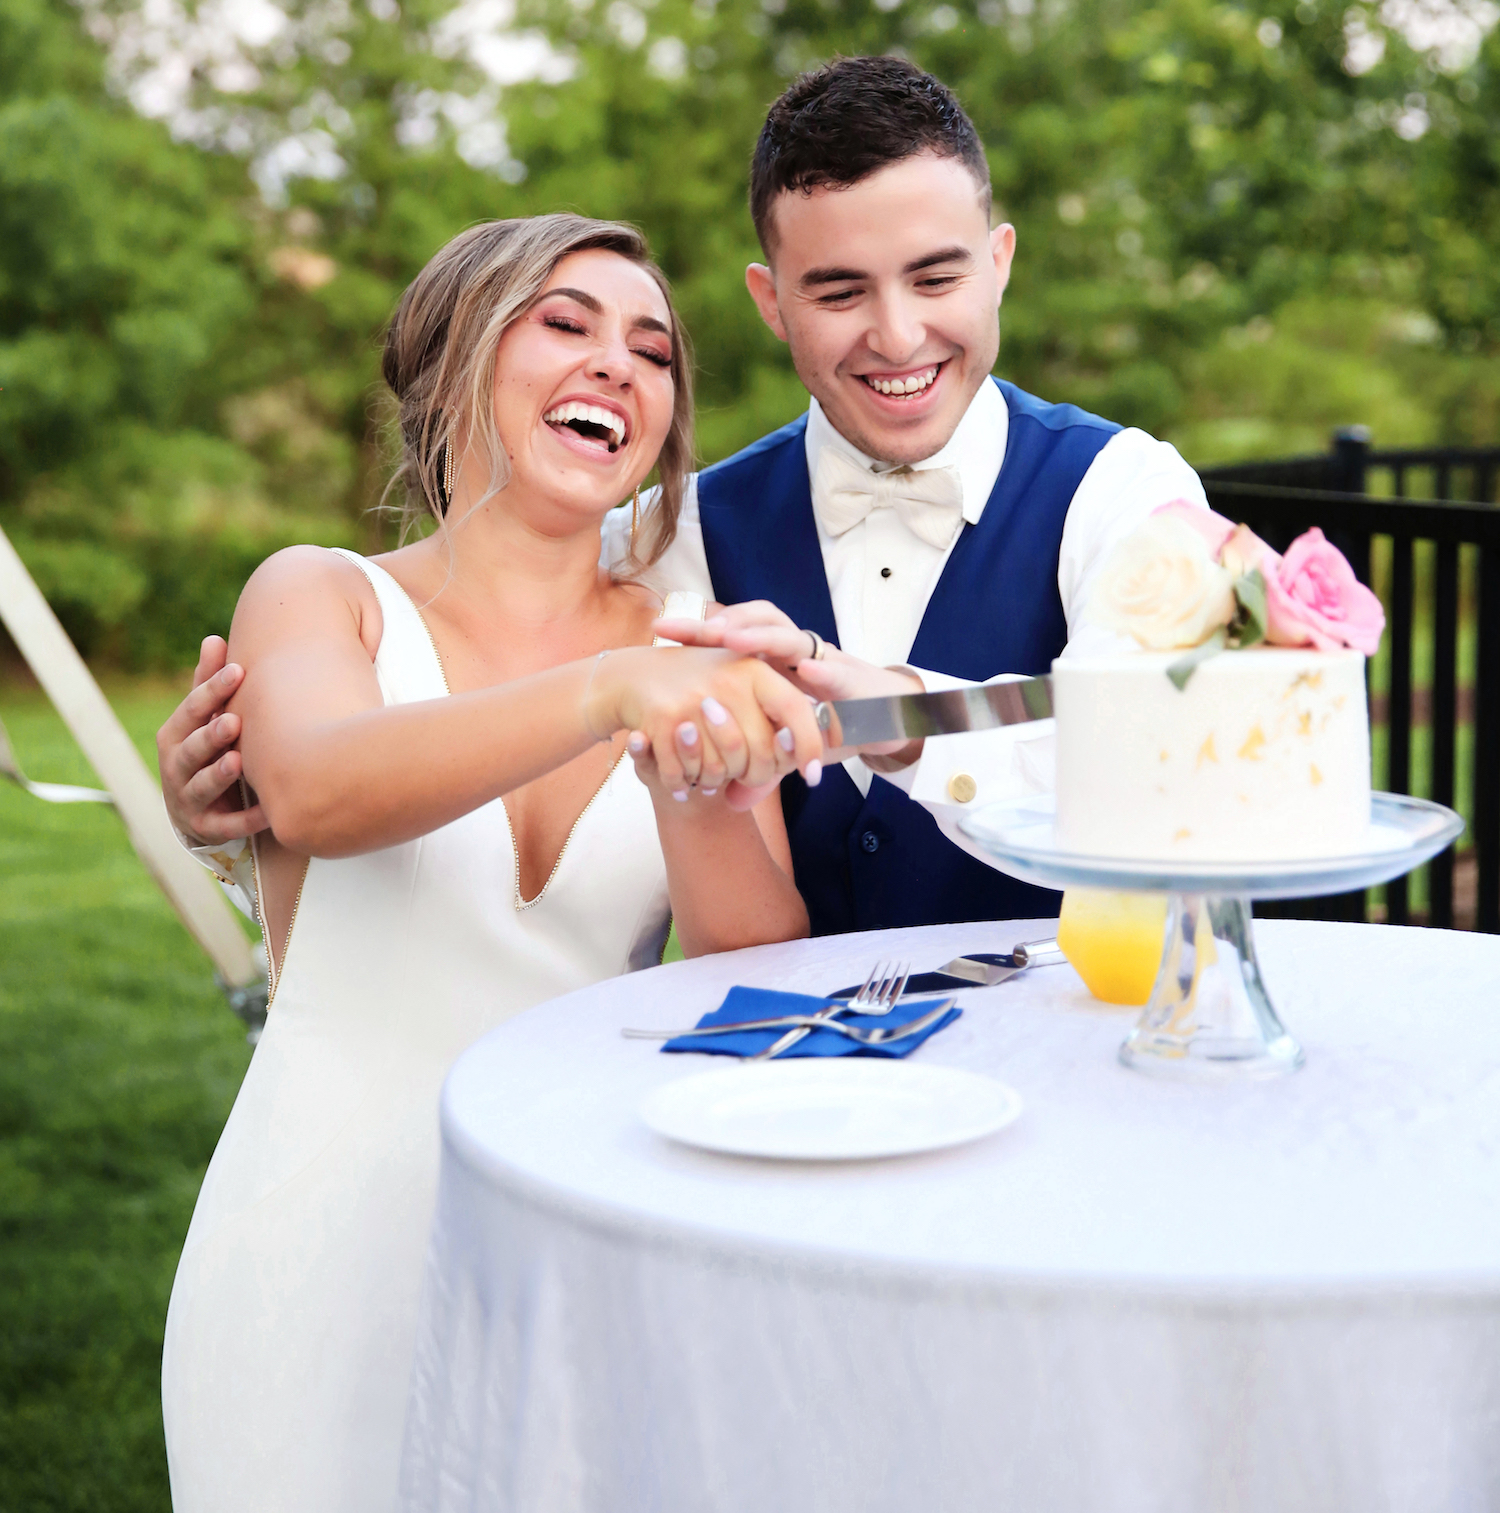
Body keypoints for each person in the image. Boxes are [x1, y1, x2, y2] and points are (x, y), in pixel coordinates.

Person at [160, 212, 824, 1513]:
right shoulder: (321, 593)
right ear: (460, 354)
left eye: (652, 349)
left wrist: (704, 771)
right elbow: (322, 789)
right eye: (567, 323)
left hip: (573, 1263)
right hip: (313, 1258)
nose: (619, 366)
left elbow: (745, 962)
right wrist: (610, 687)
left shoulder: (683, 645)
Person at [162, 55, 1207, 932]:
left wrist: (911, 722)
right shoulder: (663, 548)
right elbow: (473, 653)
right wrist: (228, 811)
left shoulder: (1123, 491)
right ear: (772, 303)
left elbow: (1191, 768)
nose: (896, 335)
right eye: (839, 291)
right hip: (771, 1110)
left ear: (999, 263)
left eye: (935, 280)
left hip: (1071, 1065)